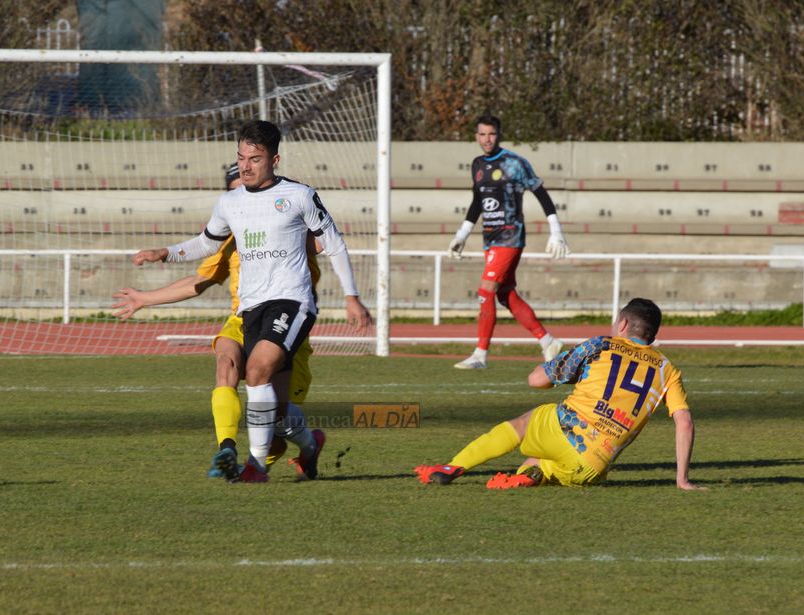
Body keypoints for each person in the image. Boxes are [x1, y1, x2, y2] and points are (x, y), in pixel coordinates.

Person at [130, 120, 372, 483]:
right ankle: (310, 446)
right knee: (279, 414)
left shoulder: (299, 196)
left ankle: (255, 467)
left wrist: (351, 297)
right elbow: (206, 243)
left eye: (254, 159)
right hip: (251, 308)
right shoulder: (230, 202)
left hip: (292, 301)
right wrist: (165, 252)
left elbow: (334, 243)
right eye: (241, 158)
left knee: (256, 370)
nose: (245, 166)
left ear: (274, 160)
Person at [113, 164, 322, 479]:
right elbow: (198, 281)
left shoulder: (290, 227)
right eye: (238, 190)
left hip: (283, 323)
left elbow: (321, 242)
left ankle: (309, 446)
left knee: (277, 424)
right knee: (226, 360)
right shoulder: (230, 238)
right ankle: (227, 448)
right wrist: (145, 298)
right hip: (242, 319)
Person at [415, 298, 704, 491]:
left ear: (623, 325)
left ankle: (453, 467)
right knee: (541, 462)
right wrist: (682, 480)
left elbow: (537, 380)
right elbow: (685, 423)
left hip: (569, 431)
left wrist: (565, 371)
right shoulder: (667, 369)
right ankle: (530, 476)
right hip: (593, 468)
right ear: (652, 335)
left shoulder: (601, 345)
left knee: (527, 422)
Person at [448, 114, 570, 370]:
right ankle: (547, 341)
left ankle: (480, 354)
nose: (487, 139)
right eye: (482, 134)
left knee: (486, 291)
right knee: (505, 294)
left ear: (499, 135)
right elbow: (477, 202)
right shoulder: (477, 164)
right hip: (490, 238)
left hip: (510, 236)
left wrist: (556, 230)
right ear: (476, 136)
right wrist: (462, 234)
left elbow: (541, 193)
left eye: (491, 134)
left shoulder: (515, 163)